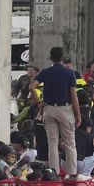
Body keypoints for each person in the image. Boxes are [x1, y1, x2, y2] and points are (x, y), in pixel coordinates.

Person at [30, 46, 81, 177]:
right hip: (65, 109)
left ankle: (54, 174)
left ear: (51, 58)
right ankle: (72, 174)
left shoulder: (45, 72)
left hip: (48, 109)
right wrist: (78, 114)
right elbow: (73, 96)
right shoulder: (70, 73)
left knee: (52, 143)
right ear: (63, 58)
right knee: (69, 143)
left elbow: (32, 86)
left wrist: (38, 102)